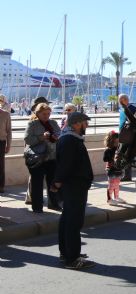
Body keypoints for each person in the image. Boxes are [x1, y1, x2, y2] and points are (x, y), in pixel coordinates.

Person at [51, 112, 95, 269]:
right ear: (76, 124)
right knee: (73, 222)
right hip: (74, 186)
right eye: (85, 122)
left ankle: (67, 252)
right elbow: (66, 165)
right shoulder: (70, 140)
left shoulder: (70, 138)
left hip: (74, 186)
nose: (87, 125)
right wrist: (57, 183)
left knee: (68, 220)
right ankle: (72, 258)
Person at [24, 102, 61, 212]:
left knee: (53, 182)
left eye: (48, 113)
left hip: (52, 157)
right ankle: (37, 207)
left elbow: (60, 134)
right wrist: (41, 137)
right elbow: (28, 140)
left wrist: (56, 136)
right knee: (37, 183)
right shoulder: (32, 124)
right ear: (38, 113)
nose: (47, 116)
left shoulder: (53, 123)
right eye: (44, 114)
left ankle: (53, 204)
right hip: (37, 158)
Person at [118, 94, 136, 181]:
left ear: (125, 100)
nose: (119, 102)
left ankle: (126, 175)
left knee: (125, 155)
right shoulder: (123, 108)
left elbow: (135, 122)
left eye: (120, 100)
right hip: (123, 135)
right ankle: (126, 174)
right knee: (124, 155)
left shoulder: (133, 109)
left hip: (128, 136)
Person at [103, 131, 125, 205]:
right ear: (112, 140)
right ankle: (109, 199)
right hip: (111, 169)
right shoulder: (108, 149)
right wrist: (112, 159)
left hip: (118, 169)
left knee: (117, 184)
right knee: (111, 184)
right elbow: (104, 159)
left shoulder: (118, 149)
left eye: (118, 140)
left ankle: (116, 197)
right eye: (116, 140)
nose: (117, 141)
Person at [0, 100, 11, 193]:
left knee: (1, 165)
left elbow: (9, 131)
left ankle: (1, 186)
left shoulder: (6, 115)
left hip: (1, 142)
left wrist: (8, 145)